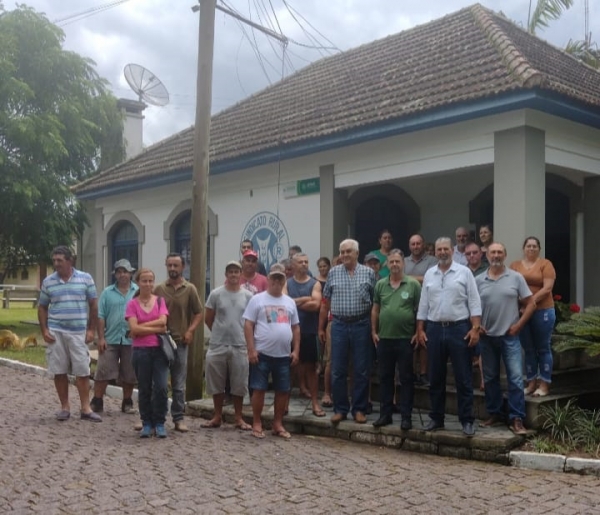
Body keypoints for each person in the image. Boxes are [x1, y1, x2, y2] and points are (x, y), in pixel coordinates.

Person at [415, 237, 482, 437]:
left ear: (452, 251)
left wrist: (476, 328)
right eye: (439, 249)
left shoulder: (465, 272)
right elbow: (423, 304)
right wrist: (420, 329)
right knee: (435, 377)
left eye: (445, 249)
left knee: (463, 377)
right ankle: (436, 418)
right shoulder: (429, 274)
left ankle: (467, 420)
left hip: (459, 328)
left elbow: (474, 301)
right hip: (434, 329)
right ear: (434, 252)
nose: (442, 252)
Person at [477, 243, 535, 435]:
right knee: (491, 378)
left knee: (516, 378)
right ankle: (494, 413)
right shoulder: (478, 280)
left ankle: (516, 418)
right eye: (493, 252)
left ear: (505, 255)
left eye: (499, 252)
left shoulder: (516, 278)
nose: (496, 255)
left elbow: (531, 303)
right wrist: (476, 326)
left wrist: (519, 325)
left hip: (510, 337)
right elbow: (470, 305)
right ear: (487, 255)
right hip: (487, 338)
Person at [38, 245, 101, 422]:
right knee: (59, 371)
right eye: (54, 260)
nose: (56, 264)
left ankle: (86, 408)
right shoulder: (48, 281)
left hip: (78, 332)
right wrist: (44, 330)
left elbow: (94, 305)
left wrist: (91, 329)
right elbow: (42, 307)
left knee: (82, 370)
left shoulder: (85, 278)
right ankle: (64, 407)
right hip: (56, 332)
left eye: (60, 260)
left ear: (69, 261)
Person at [319, 239, 376, 424]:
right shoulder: (333, 273)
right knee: (337, 369)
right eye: (342, 252)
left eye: (348, 252)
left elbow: (375, 304)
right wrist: (321, 327)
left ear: (357, 253)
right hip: (339, 325)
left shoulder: (368, 273)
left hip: (361, 325)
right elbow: (325, 302)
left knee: (361, 369)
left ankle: (359, 409)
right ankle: (340, 409)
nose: (344, 255)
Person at [244, 263, 300, 440]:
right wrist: (251, 349)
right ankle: (257, 422)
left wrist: (296, 350)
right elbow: (248, 324)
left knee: (282, 390)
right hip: (262, 354)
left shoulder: (290, 302)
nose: (277, 281)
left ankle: (277, 423)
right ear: (268, 279)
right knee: (259, 389)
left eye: (280, 278)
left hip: (283, 355)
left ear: (284, 280)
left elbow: (296, 328)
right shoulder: (257, 299)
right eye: (274, 278)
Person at [371, 249, 421, 430]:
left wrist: (418, 331)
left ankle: (406, 417)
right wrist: (373, 331)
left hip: (405, 339)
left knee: (406, 379)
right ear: (387, 265)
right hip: (384, 338)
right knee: (385, 377)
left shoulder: (413, 285)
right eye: (391, 262)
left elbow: (419, 311)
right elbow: (375, 309)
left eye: (397, 262)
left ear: (403, 263)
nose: (394, 265)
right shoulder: (380, 285)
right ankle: (385, 415)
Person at [153, 253, 203, 432]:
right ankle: (154, 417)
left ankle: (178, 418)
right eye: (170, 265)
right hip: (160, 341)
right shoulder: (158, 289)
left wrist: (190, 331)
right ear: (166, 266)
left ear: (183, 267)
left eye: (176, 265)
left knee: (178, 384)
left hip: (180, 342)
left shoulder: (190, 289)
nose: (172, 269)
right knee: (158, 383)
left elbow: (199, 312)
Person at [202, 260, 253, 430]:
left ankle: (238, 418)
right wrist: (219, 331)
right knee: (216, 381)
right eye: (230, 272)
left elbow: (251, 321)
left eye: (236, 272)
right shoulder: (216, 294)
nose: (233, 275)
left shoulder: (248, 296)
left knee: (239, 382)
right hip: (218, 344)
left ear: (241, 275)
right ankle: (217, 416)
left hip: (240, 344)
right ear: (226, 274)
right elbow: (208, 317)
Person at [90, 259, 139, 415]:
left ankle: (127, 401)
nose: (122, 275)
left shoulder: (137, 292)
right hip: (110, 338)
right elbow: (101, 316)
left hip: (131, 339)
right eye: (119, 272)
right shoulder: (107, 292)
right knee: (103, 370)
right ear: (115, 275)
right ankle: (97, 401)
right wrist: (101, 338)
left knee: (129, 373)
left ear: (131, 273)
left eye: (125, 271)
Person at [510, 236, 557, 397]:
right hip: (522, 312)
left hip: (543, 310)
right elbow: (511, 287)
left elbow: (547, 288)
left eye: (534, 246)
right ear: (524, 248)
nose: (531, 249)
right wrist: (521, 306)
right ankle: (531, 383)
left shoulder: (545, 264)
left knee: (543, 347)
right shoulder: (515, 265)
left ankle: (544, 384)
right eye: (528, 246)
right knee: (528, 348)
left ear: (539, 249)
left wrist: (529, 303)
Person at [126, 268, 170, 438]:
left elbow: (164, 324)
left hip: (159, 350)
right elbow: (133, 328)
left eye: (151, 280)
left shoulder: (160, 301)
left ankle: (160, 422)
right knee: (144, 388)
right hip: (140, 351)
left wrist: (140, 328)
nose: (148, 284)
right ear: (138, 282)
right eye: (144, 281)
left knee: (160, 387)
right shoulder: (132, 304)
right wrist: (154, 327)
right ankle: (146, 422)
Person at [284, 253, 324, 417]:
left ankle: (315, 403)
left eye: (306, 262)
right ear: (293, 265)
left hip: (309, 331)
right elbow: (285, 305)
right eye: (300, 262)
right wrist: (304, 299)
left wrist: (294, 302)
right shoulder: (287, 283)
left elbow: (316, 305)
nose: (304, 264)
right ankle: (284, 404)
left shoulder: (315, 284)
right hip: (289, 332)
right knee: (288, 369)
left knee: (310, 369)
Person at [404, 234, 437, 386]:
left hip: (427, 305)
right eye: (413, 244)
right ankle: (411, 372)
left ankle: (423, 373)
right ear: (409, 246)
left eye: (418, 243)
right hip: (407, 306)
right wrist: (420, 278)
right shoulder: (404, 261)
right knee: (410, 341)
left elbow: (430, 279)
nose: (416, 246)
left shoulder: (432, 261)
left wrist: (408, 278)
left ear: (423, 244)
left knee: (424, 340)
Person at [464, 242, 487, 391]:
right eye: (468, 253)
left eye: (474, 252)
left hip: (483, 314)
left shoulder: (487, 269)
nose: (472, 255)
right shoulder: (461, 271)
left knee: (483, 348)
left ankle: (484, 381)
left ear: (481, 253)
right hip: (464, 315)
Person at [316, 257, 333, 408]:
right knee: (330, 360)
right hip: (332, 321)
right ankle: (327, 393)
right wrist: (321, 327)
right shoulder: (329, 282)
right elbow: (323, 305)